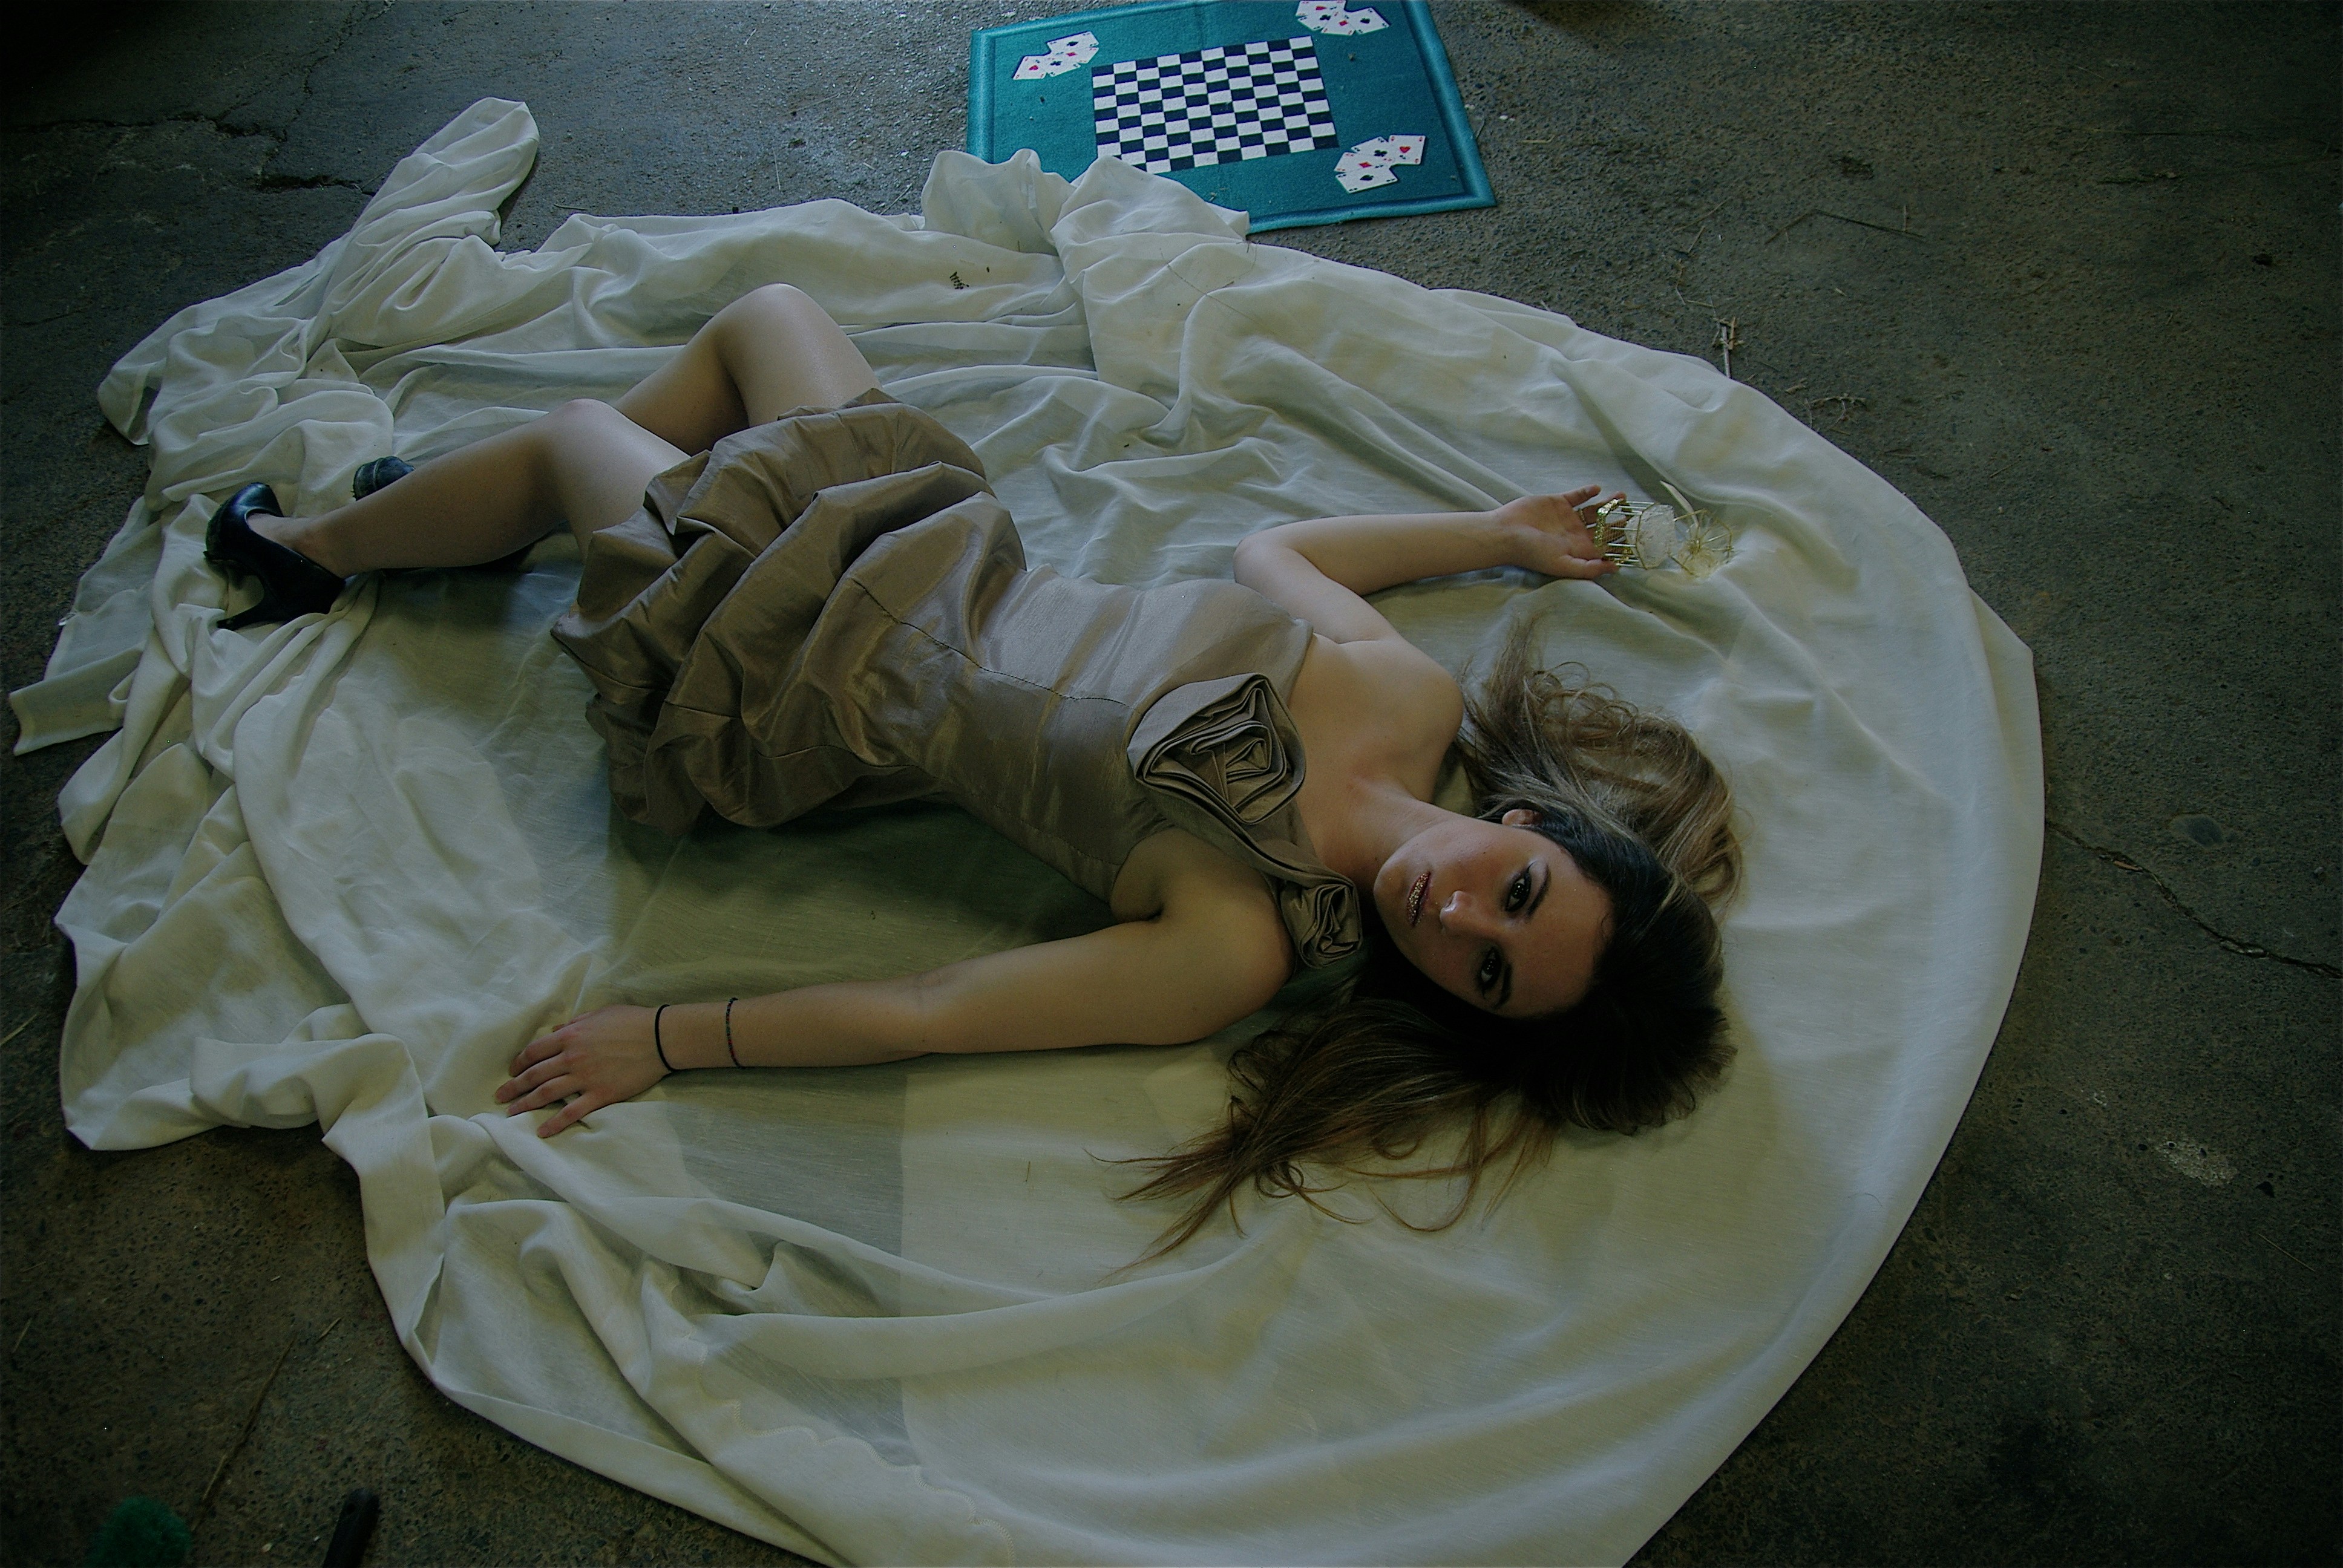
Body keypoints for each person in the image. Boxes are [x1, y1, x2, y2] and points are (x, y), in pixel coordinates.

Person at [205, 283, 1738, 1249]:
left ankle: (314, 552)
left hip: (805, 663)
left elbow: (928, 1010)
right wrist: (1493, 537)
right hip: (943, 539)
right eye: (1514, 891)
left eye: (1481, 975)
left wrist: (671, 1038)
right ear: (1530, 820)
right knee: (769, 315)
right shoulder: (1401, 694)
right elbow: (1274, 546)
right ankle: (542, 508)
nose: (1453, 919)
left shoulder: (1235, 941)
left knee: (566, 436)